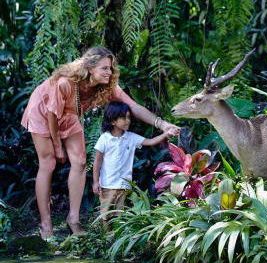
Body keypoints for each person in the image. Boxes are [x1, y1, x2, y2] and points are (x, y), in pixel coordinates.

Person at [20, 47, 179, 239]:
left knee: (79, 162)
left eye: (111, 68)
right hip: (44, 112)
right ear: (89, 67)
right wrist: (57, 146)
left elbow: (134, 106)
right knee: (49, 163)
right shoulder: (65, 83)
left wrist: (162, 124)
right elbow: (53, 114)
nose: (109, 72)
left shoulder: (107, 85)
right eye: (104, 68)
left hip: (69, 115)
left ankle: (73, 219)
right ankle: (46, 225)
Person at [92, 101, 168, 225]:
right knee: (105, 214)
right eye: (123, 117)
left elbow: (150, 141)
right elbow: (97, 161)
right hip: (107, 184)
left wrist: (166, 133)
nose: (128, 120)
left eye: (128, 117)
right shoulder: (104, 139)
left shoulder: (131, 137)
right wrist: (95, 182)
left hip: (123, 185)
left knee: (119, 214)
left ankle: (117, 238)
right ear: (113, 121)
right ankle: (104, 238)